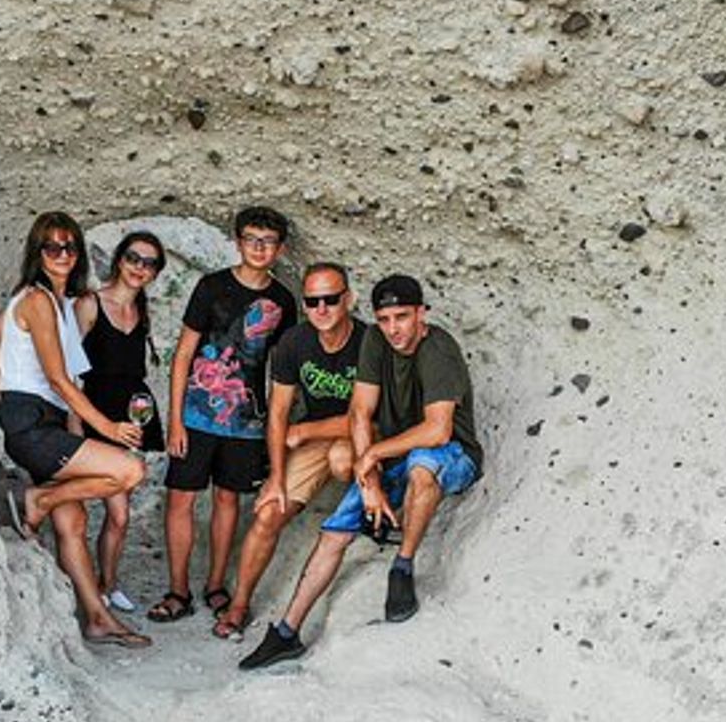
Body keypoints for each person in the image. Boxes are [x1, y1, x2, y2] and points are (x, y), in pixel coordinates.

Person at [239, 274, 484, 669]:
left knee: (422, 465)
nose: (393, 329)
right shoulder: (375, 340)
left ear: (421, 313)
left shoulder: (439, 349)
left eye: (402, 317)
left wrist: (371, 456)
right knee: (334, 531)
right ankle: (286, 631)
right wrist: (369, 481)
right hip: (396, 450)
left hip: (453, 452)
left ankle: (402, 567)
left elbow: (437, 430)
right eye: (385, 319)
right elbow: (359, 412)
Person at [0, 212, 151, 649]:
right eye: (52, 247)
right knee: (129, 471)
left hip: (45, 419)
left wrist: (0, 383)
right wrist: (108, 428)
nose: (62, 254)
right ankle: (38, 499)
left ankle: (97, 618)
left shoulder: (58, 304)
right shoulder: (37, 299)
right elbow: (59, 380)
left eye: (70, 247)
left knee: (73, 521)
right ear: (37, 253)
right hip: (31, 421)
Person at [146, 206, 299, 623]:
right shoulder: (212, 287)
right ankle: (178, 591)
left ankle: (215, 585)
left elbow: (281, 370)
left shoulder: (283, 301)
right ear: (237, 242)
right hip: (195, 416)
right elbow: (183, 355)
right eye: (251, 239)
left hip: (246, 422)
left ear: (280, 249)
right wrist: (175, 420)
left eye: (268, 242)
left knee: (228, 499)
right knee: (181, 498)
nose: (259, 248)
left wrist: (275, 424)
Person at [212, 262, 365, 640]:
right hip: (315, 439)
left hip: (361, 436)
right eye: (312, 301)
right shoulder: (295, 342)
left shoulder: (369, 342)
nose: (321, 309)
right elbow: (278, 413)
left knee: (341, 459)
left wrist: (304, 431)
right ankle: (239, 605)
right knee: (268, 513)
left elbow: (365, 418)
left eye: (331, 299)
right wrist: (277, 478)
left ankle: (368, 516)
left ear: (348, 299)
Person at [73, 231, 168, 615]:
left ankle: (108, 585)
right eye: (133, 258)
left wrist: (141, 417)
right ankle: (81, 587)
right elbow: (67, 372)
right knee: (79, 509)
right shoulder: (89, 304)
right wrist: (74, 425)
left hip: (129, 419)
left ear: (156, 273)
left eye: (150, 263)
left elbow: (133, 374)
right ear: (118, 260)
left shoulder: (142, 312)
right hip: (91, 412)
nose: (140, 267)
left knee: (120, 513)